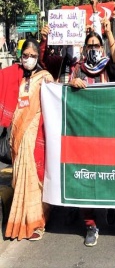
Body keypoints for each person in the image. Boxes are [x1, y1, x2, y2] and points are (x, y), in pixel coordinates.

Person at [68, 22, 115, 247]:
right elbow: (65, 94)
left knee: (109, 172)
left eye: (97, 45)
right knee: (85, 176)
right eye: (89, 45)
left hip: (107, 131)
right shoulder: (77, 68)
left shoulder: (108, 66)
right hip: (84, 133)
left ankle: (110, 206)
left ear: (102, 47)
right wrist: (71, 84)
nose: (93, 49)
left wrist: (109, 33)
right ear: (84, 49)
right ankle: (90, 224)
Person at [1, 38, 53, 240]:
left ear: (37, 57)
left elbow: (56, 97)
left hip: (35, 133)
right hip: (17, 134)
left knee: (32, 175)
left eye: (32, 56)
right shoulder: (16, 75)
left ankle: (36, 222)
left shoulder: (44, 77)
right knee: (20, 177)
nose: (28, 59)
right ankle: (21, 219)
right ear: (20, 56)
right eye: (25, 56)